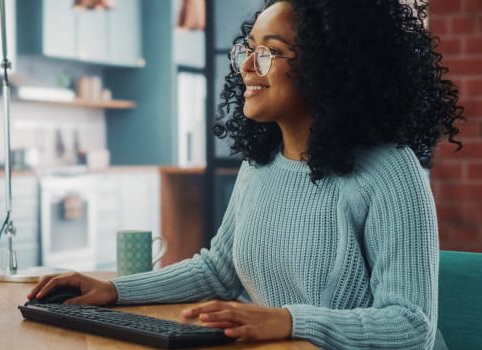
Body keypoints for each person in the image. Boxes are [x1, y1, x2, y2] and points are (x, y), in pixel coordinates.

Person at [28, 0, 464, 349]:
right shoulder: (261, 162)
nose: (246, 67)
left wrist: (287, 321)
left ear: (330, 66)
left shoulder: (390, 172)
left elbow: (411, 327)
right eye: (248, 49)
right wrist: (113, 290)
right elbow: (219, 269)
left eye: (269, 52)